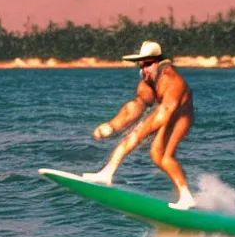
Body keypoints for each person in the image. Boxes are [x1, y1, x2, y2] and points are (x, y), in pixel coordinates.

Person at [81, 41, 196, 210]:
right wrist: (112, 125)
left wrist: (138, 133)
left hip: (181, 116)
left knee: (162, 155)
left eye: (148, 64)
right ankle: (186, 195)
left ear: (158, 61)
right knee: (156, 156)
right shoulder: (148, 82)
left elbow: (165, 112)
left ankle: (187, 197)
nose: (144, 70)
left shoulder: (172, 81)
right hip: (167, 111)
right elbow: (137, 106)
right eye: (141, 65)